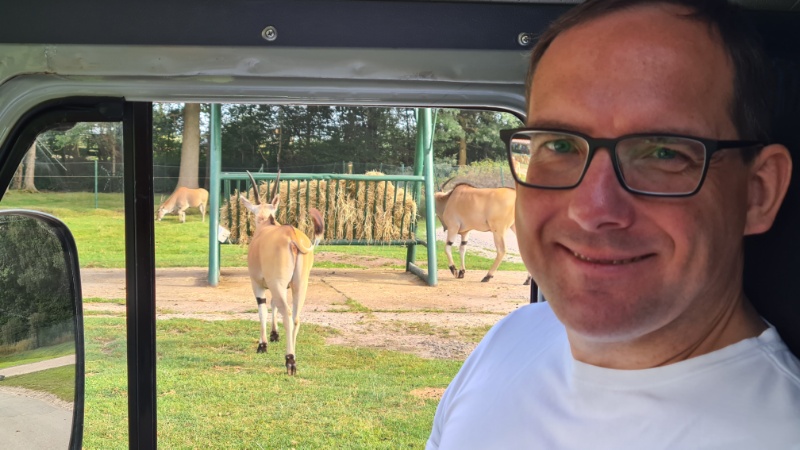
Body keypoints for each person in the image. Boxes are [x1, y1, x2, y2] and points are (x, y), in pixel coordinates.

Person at [427, 0, 800, 448]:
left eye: (664, 153)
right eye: (560, 146)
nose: (592, 209)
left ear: (757, 193)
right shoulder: (510, 339)